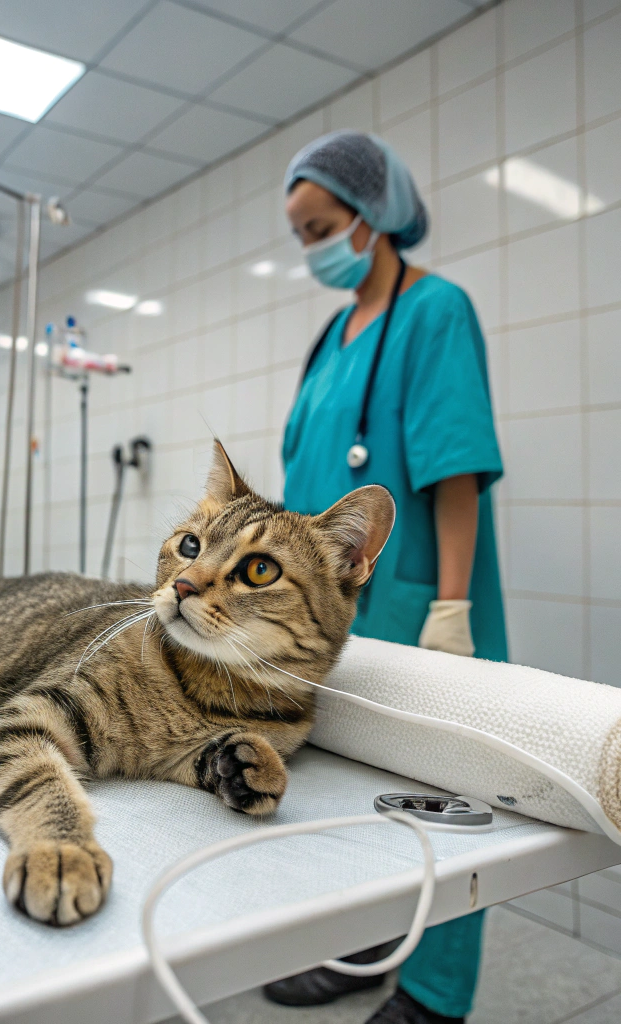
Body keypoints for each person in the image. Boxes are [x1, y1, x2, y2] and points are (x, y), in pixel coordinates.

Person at [265, 131, 507, 1024]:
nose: (313, 250)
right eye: (300, 234)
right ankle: (367, 947)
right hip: (328, 617)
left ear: (371, 221)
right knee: (352, 795)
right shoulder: (332, 336)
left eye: (320, 227)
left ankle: (435, 995)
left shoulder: (435, 310)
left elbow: (453, 474)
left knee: (447, 806)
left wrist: (451, 608)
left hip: (416, 599)